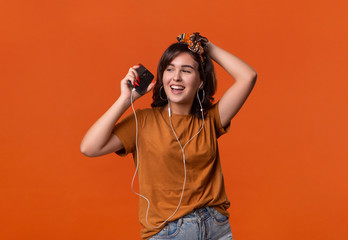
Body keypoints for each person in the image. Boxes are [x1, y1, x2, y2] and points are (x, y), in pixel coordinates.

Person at [80, 32, 257, 240]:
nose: (176, 77)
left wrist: (206, 48)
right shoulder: (144, 121)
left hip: (215, 228)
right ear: (162, 77)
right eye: (170, 69)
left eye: (186, 70)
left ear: (200, 82)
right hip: (169, 233)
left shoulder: (210, 120)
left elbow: (248, 76)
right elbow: (89, 147)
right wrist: (125, 100)